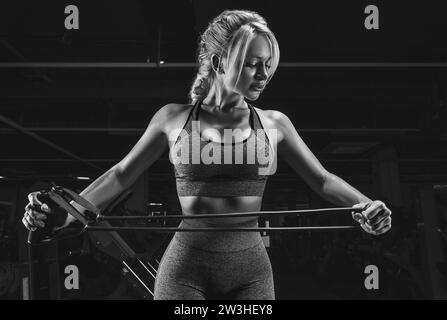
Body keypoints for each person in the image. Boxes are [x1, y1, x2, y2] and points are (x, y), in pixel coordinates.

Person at [22, 9, 392, 300]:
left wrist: (366, 205)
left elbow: (322, 179)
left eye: (268, 63)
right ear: (218, 63)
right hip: (187, 267)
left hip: (250, 270)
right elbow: (121, 176)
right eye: (252, 63)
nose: (264, 74)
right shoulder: (173, 119)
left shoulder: (275, 123)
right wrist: (67, 214)